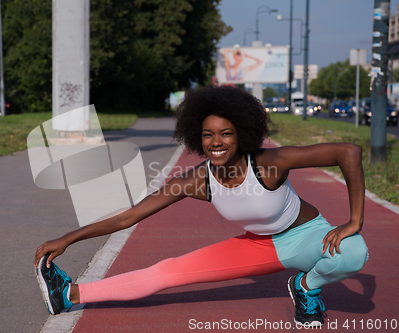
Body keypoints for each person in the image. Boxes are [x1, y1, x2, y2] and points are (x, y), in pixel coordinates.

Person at [34, 85, 368, 327]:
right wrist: (68, 238)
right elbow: (130, 215)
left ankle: (305, 287)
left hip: (309, 235)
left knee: (355, 253)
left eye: (226, 133)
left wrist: (354, 221)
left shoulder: (271, 162)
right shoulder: (196, 181)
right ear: (198, 137)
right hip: (260, 246)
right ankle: (69, 294)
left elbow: (348, 152)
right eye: (208, 135)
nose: (217, 142)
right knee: (166, 272)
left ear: (242, 134)